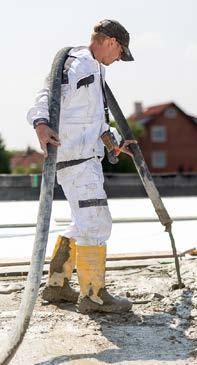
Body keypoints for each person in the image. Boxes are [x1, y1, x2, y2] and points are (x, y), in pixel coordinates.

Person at [27, 19, 137, 314]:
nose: (118, 60)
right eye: (120, 53)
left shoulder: (95, 68)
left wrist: (112, 141)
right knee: (97, 222)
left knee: (82, 223)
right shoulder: (78, 64)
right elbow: (46, 95)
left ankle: (57, 285)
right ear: (112, 42)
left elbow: (92, 120)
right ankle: (94, 295)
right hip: (76, 160)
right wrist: (40, 124)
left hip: (84, 158)